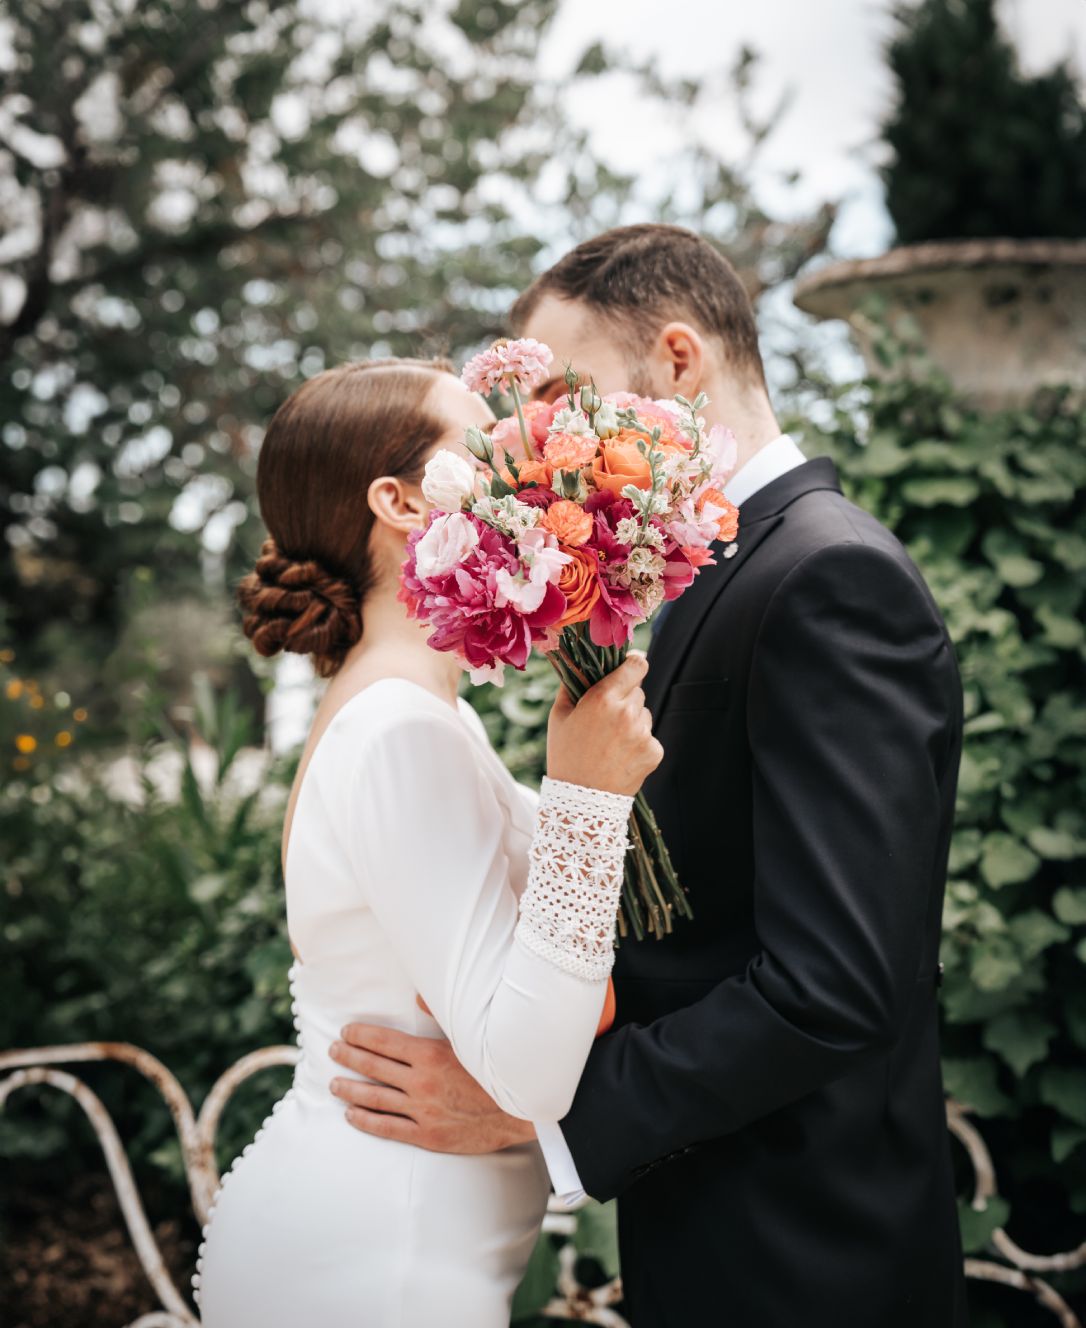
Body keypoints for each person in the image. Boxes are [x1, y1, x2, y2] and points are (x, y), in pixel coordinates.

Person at [331, 224, 969, 1327]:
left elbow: (835, 982)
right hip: (720, 1233)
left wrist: (545, 1120)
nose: (545, 447)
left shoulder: (828, 575)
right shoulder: (702, 575)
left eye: (570, 401)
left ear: (679, 363)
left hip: (812, 1256)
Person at [194, 356, 663, 1328]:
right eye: (480, 439)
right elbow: (524, 1069)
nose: (515, 456)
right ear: (401, 501)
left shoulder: (419, 715)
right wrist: (583, 797)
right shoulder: (396, 729)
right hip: (379, 1268)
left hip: (391, 1249)